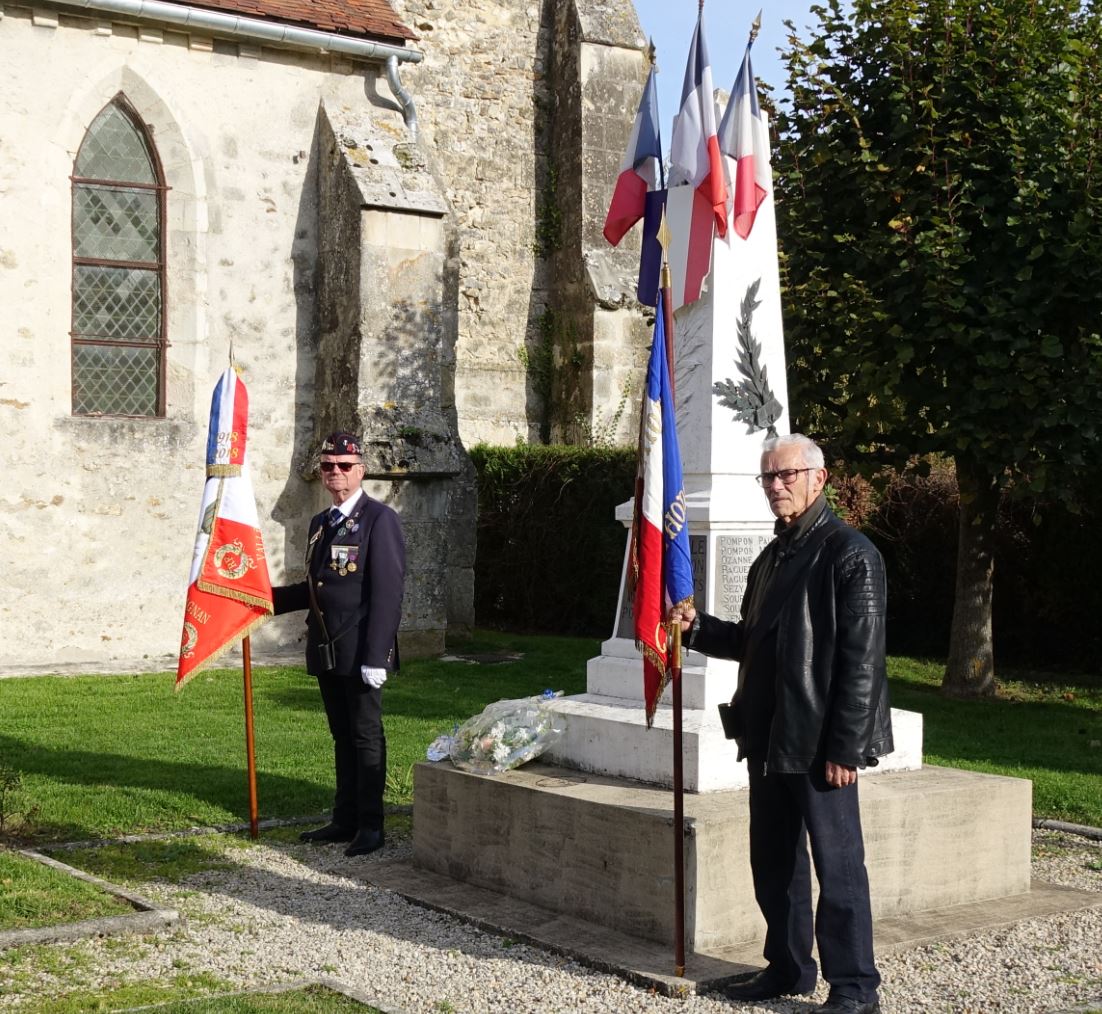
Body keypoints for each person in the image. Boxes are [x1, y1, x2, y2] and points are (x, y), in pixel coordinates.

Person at [671, 433, 892, 1014]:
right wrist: (697, 628)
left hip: (822, 742)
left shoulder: (850, 554)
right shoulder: (774, 556)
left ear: (819, 478)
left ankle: (854, 987)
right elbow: (755, 642)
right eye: (768, 477)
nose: (776, 486)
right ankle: (789, 968)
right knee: (774, 862)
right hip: (769, 734)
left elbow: (861, 661)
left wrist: (848, 746)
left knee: (839, 870)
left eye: (787, 475)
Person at [274, 432, 405, 858]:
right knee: (341, 736)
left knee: (366, 736)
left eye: (344, 466)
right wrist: (258, 599)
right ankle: (344, 818)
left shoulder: (378, 519)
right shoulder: (321, 524)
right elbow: (314, 588)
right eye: (328, 466)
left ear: (361, 471)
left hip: (361, 650)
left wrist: (376, 655)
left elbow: (388, 592)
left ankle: (370, 825)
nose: (335, 473)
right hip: (328, 648)